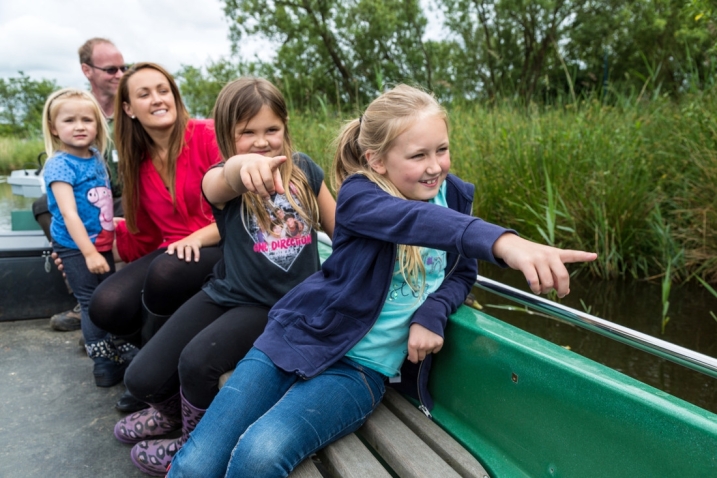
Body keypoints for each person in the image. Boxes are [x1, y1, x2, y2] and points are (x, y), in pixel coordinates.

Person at [167, 84, 598, 477]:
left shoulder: (456, 196)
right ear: (377, 160)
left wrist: (433, 311)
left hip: (361, 369)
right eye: (417, 156)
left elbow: (461, 271)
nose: (434, 168)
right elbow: (414, 220)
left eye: (441, 150)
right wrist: (504, 243)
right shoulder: (359, 197)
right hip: (296, 336)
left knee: (258, 456)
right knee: (200, 461)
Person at [112, 77, 336, 476]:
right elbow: (225, 179)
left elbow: (343, 234)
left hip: (279, 304)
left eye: (271, 129)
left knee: (198, 362)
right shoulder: (219, 178)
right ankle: (173, 416)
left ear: (285, 127)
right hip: (228, 290)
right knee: (140, 378)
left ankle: (191, 440)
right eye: (247, 133)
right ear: (226, 138)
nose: (262, 141)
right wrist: (241, 166)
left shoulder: (304, 172)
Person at [86, 62, 223, 412]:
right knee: (107, 303)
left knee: (167, 270)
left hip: (224, 243)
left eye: (163, 90)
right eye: (144, 94)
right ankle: (153, 362)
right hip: (171, 249)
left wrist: (195, 238)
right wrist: (89, 245)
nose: (158, 99)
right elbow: (142, 236)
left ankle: (152, 376)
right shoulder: (137, 160)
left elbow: (244, 211)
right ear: (129, 109)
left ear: (175, 97)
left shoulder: (207, 134)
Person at [40, 38, 127, 333]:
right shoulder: (74, 109)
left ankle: (101, 295)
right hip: (90, 204)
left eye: (123, 68)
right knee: (45, 205)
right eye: (111, 69)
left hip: (124, 196)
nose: (119, 74)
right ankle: (78, 278)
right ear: (87, 70)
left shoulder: (130, 112)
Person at [41, 88, 123, 386]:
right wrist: (88, 252)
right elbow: (69, 213)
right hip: (76, 247)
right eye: (69, 120)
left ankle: (118, 346)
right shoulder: (59, 164)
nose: (79, 126)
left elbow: (100, 203)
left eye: (87, 120)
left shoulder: (96, 157)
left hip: (100, 242)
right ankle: (102, 361)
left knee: (111, 299)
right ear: (54, 127)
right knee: (91, 302)